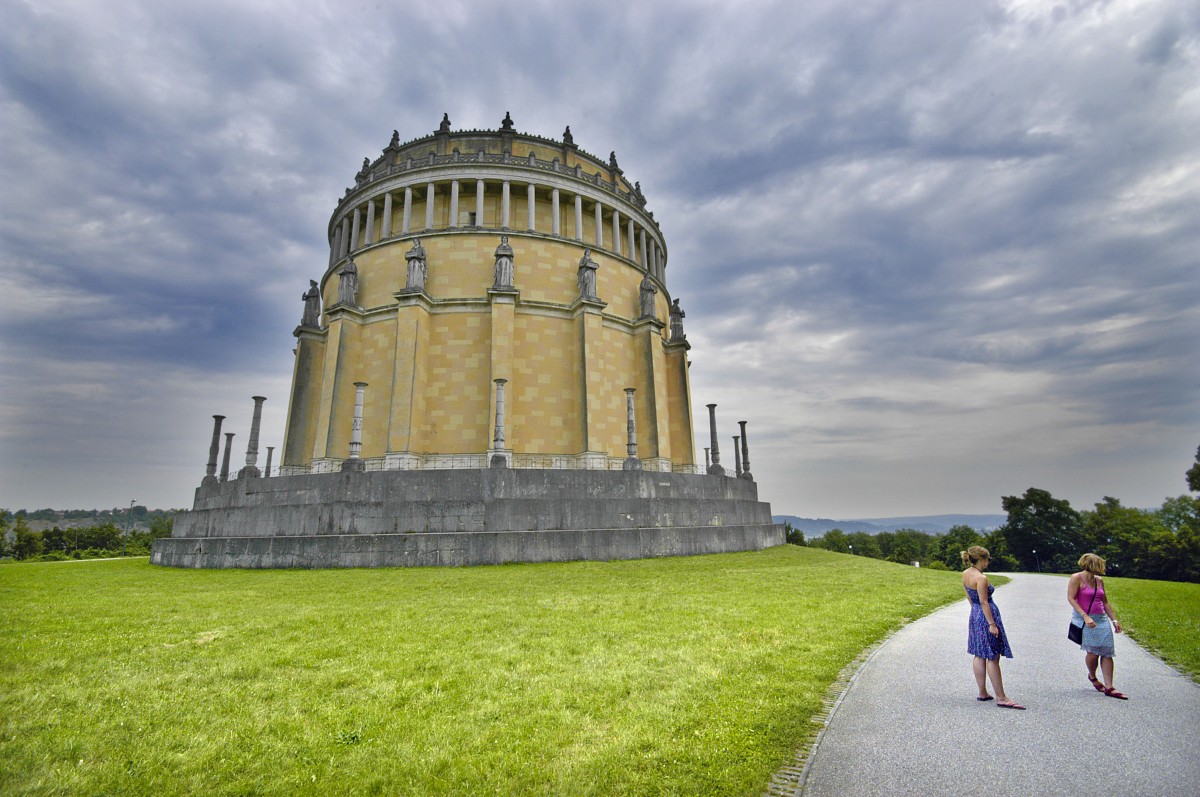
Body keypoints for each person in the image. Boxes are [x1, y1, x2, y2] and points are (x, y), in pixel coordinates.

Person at [962, 546, 1024, 709]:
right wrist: (991, 624)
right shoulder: (981, 578)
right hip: (986, 614)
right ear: (982, 559)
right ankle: (1001, 697)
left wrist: (976, 612)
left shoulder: (966, 574)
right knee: (993, 655)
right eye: (987, 559)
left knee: (979, 653)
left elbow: (970, 596)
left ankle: (982, 692)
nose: (988, 562)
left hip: (975, 614)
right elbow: (984, 601)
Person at [1067, 553, 1126, 699]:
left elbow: (1105, 602)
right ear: (1093, 565)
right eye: (1100, 564)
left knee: (1107, 651)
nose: (1103, 567)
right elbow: (1071, 598)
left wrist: (1114, 620)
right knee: (1093, 652)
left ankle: (1109, 686)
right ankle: (1092, 676)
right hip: (1085, 619)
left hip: (1101, 619)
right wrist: (1085, 616)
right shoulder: (1076, 578)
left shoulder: (1099, 580)